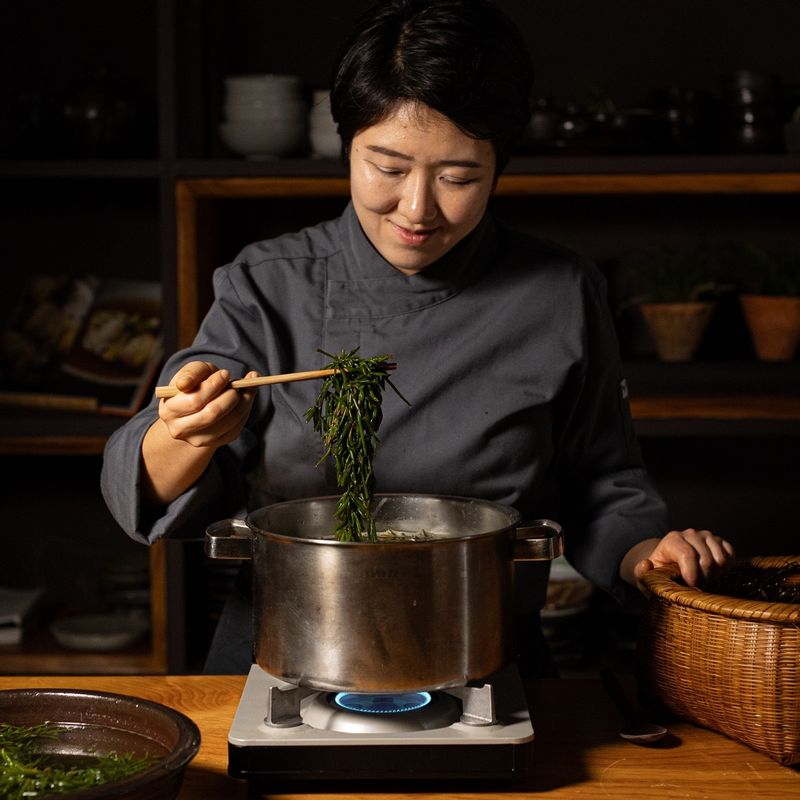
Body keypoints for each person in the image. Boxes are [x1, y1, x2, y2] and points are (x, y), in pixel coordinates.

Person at [101, 0, 734, 675]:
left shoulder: (559, 292)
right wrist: (187, 433)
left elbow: (602, 479)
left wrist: (647, 554)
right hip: (283, 644)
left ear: (500, 166)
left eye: (458, 177)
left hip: (485, 646)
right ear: (346, 144)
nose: (417, 210)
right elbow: (140, 476)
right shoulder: (268, 283)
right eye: (388, 167)